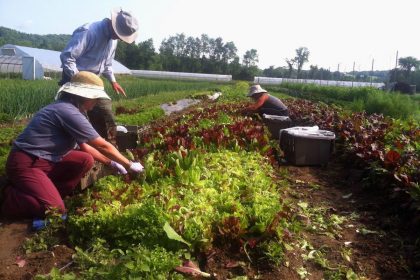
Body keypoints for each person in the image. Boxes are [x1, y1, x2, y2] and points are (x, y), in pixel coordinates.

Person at [1, 71, 144, 220]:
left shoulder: (74, 111)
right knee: (55, 211)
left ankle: (49, 192)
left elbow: (86, 147)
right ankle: (9, 196)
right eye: (95, 98)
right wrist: (129, 164)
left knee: (84, 159)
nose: (95, 103)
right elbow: (102, 146)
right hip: (27, 162)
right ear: (84, 96)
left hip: (48, 159)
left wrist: (111, 162)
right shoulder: (67, 111)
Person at [59, 8, 139, 146]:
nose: (119, 38)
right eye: (119, 35)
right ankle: (75, 149)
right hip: (75, 81)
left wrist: (113, 81)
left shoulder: (113, 40)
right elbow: (67, 57)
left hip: (94, 83)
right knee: (77, 119)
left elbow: (107, 64)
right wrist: (79, 82)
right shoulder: (88, 31)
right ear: (113, 25)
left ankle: (103, 146)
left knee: (104, 111)